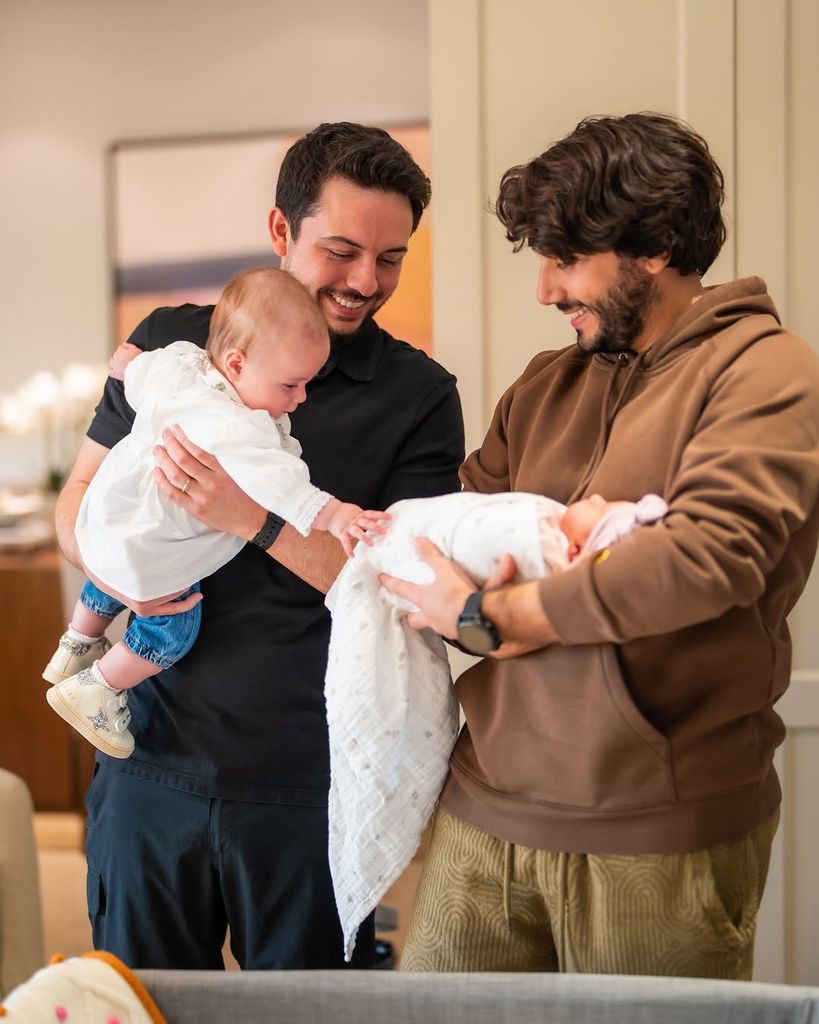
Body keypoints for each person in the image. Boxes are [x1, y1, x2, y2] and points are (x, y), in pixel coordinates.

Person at [380, 112, 819, 979]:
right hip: (482, 808)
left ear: (652, 245)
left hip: (656, 830)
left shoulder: (766, 370)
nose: (544, 291)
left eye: (563, 260)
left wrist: (494, 615)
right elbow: (451, 526)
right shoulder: (546, 383)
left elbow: (703, 559)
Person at [54, 122, 465, 970]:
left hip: (305, 785)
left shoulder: (418, 397)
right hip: (148, 772)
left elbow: (405, 594)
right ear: (281, 231)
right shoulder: (177, 341)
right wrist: (128, 581)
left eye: (389, 260)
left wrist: (255, 519)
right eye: (342, 250)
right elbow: (78, 505)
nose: (364, 281)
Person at [44, 267, 387, 759]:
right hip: (159, 546)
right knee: (174, 621)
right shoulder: (243, 431)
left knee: (116, 566)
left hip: (108, 519)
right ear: (238, 364)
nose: (301, 398)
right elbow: (289, 490)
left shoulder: (183, 365)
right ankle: (99, 688)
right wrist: (336, 517)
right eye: (292, 385)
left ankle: (77, 641)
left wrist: (126, 366)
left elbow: (141, 376)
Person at [326, 490, 667, 960]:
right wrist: (473, 618)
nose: (595, 496)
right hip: (486, 798)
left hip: (643, 819)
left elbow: (697, 571)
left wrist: (487, 616)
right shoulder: (525, 414)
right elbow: (454, 560)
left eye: (604, 507)